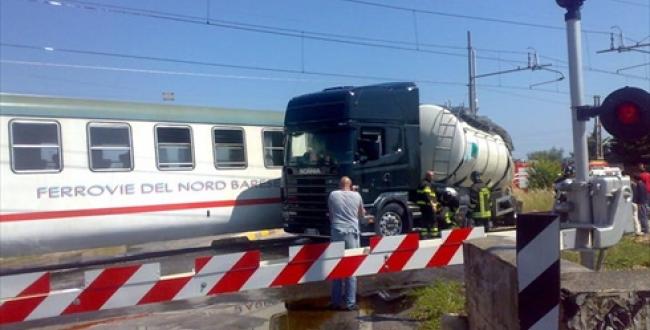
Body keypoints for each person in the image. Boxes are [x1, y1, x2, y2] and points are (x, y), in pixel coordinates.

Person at [328, 176, 364, 311]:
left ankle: (336, 302)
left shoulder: (333, 195)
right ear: (351, 185)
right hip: (351, 233)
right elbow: (361, 214)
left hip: (337, 232)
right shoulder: (357, 195)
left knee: (337, 267)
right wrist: (354, 193)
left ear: (339, 184)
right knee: (351, 267)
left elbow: (331, 214)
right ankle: (350, 303)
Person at [416, 170, 438, 237]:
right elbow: (427, 195)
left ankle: (424, 235)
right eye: (431, 176)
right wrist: (433, 205)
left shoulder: (422, 183)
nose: (432, 177)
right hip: (428, 205)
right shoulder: (426, 184)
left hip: (423, 206)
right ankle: (434, 235)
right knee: (433, 220)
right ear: (428, 176)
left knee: (424, 220)